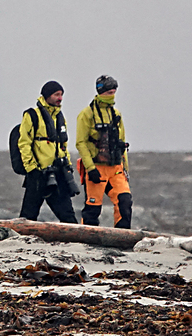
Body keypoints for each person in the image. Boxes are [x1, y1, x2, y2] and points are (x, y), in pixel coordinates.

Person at [17, 81, 78, 224]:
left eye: (61, 94)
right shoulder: (31, 115)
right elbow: (24, 143)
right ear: (47, 95)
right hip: (38, 173)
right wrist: (31, 168)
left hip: (58, 171)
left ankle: (76, 242)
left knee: (68, 215)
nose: (60, 98)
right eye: (57, 94)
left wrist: (67, 165)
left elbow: (63, 144)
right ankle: (19, 241)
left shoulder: (60, 117)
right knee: (28, 215)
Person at [75, 75, 132, 228]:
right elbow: (81, 143)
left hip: (115, 168)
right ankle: (88, 238)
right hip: (96, 167)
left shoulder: (116, 115)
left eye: (113, 92)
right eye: (108, 93)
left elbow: (122, 144)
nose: (111, 96)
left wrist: (125, 168)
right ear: (100, 92)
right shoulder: (87, 114)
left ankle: (122, 237)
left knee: (124, 201)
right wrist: (90, 168)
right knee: (92, 208)